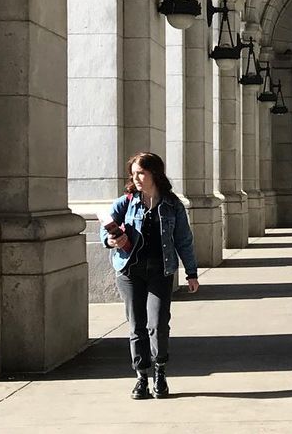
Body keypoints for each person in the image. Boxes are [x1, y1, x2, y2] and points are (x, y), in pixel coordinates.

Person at [101, 151, 200, 399]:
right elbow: (105, 232)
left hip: (160, 271)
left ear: (154, 173)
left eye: (141, 173)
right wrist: (113, 240)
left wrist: (191, 272)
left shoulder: (172, 204)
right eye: (133, 173)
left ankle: (160, 371)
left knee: (157, 324)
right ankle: (141, 377)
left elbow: (183, 240)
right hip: (130, 272)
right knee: (136, 326)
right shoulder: (125, 202)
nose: (136, 178)